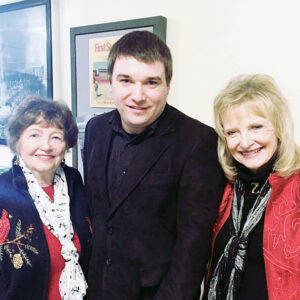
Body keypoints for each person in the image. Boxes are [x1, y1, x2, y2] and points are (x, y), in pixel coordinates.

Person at [83, 30, 225, 299]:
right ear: (110, 82)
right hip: (98, 289)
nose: (138, 95)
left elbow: (192, 248)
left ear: (168, 85)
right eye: (126, 80)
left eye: (151, 82)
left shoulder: (198, 142)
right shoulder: (95, 129)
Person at [203, 74, 300, 300]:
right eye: (232, 132)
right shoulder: (222, 187)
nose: (245, 142)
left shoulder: (295, 187)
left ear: (278, 127)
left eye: (256, 127)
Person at [0, 96, 92, 299]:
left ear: (66, 144)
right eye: (34, 135)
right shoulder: (3, 194)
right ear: (18, 141)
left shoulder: (74, 182)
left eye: (56, 137)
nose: (46, 146)